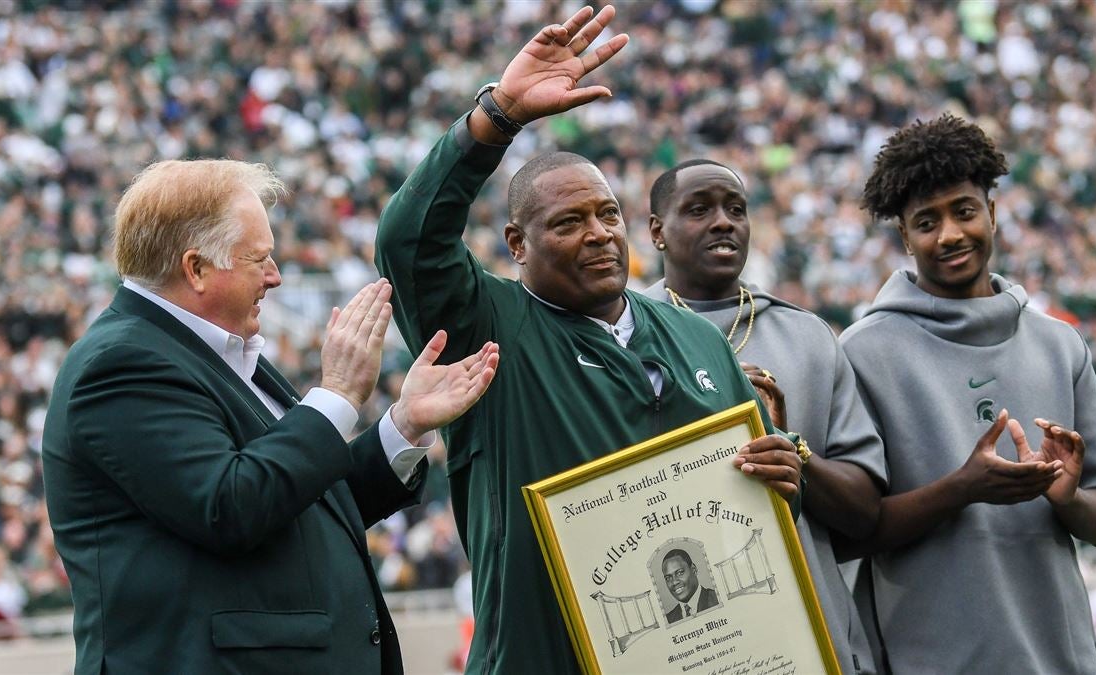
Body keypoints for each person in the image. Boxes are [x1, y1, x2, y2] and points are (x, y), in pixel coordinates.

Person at [374, 7, 803, 673]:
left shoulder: (695, 336)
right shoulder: (489, 328)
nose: (600, 233)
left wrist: (780, 472)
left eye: (609, 214)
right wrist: (498, 117)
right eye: (570, 221)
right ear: (517, 244)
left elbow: (740, 518)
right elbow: (409, 240)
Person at [42, 159, 499, 674]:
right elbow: (232, 505)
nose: (275, 276)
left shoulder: (216, 352)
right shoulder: (120, 364)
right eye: (259, 259)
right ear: (196, 268)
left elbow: (303, 503)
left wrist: (403, 426)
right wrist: (338, 395)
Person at [839, 114, 1096, 674]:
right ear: (904, 236)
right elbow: (854, 532)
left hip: (1064, 661)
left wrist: (1067, 497)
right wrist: (962, 489)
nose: (950, 233)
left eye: (964, 211)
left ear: (993, 214)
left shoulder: (1058, 343)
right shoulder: (861, 354)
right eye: (926, 221)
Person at [643, 159, 886, 674]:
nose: (724, 221)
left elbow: (865, 513)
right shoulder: (619, 336)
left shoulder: (810, 337)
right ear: (657, 231)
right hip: (683, 650)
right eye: (699, 209)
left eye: (736, 209)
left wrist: (789, 448)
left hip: (809, 635)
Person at [661, 548, 719, 624]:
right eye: (668, 578)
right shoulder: (669, 620)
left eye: (680, 573)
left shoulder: (717, 600)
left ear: (694, 569)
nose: (674, 582)